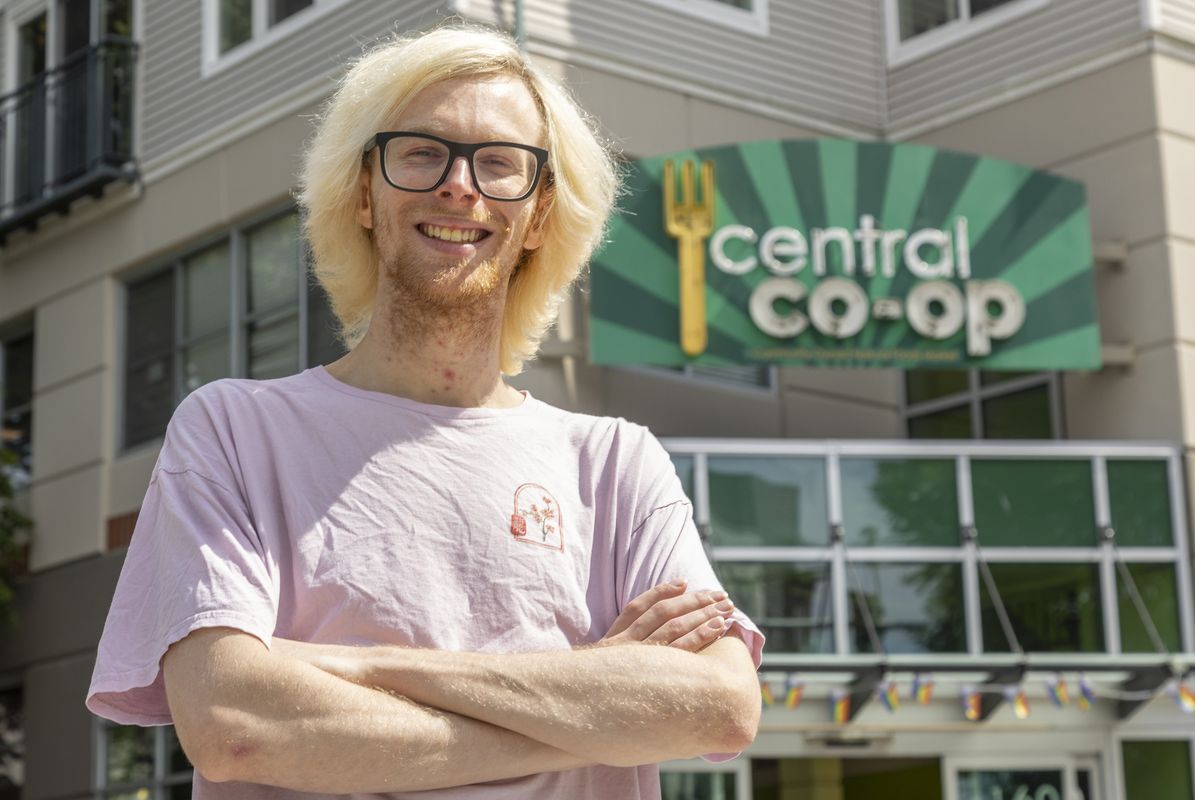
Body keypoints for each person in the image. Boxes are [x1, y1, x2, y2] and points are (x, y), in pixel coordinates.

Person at [86, 22, 765, 799]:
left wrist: (352, 667)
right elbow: (237, 726)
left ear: (540, 217)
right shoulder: (233, 431)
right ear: (364, 193)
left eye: (501, 163)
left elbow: (718, 708)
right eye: (422, 151)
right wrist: (593, 703)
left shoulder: (615, 462)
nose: (459, 185)